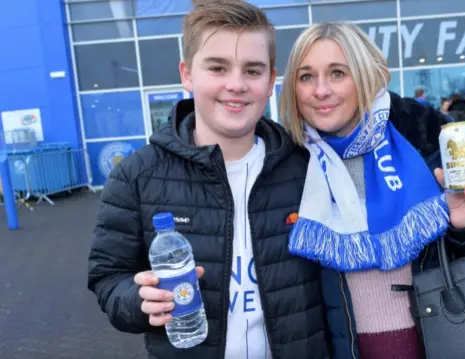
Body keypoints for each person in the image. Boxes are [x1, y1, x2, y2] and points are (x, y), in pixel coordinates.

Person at [87, 1, 331, 358]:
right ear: (187, 74)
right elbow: (108, 278)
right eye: (218, 67)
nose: (236, 84)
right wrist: (138, 300)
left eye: (252, 70)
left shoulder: (306, 165)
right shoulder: (138, 175)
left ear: (270, 80)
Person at [279, 22, 465, 359]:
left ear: (365, 75)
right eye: (306, 77)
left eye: (337, 73)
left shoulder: (426, 131)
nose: (321, 90)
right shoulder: (287, 161)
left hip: (444, 342)